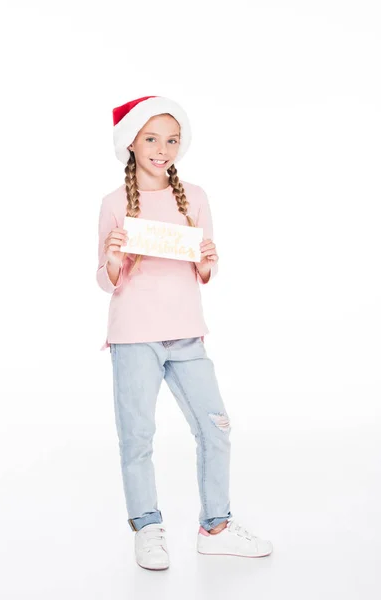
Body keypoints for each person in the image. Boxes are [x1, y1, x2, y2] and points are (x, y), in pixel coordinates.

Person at [96, 95, 273, 570]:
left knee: (216, 429)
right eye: (151, 138)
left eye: (171, 140)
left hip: (188, 335)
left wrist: (208, 262)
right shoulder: (114, 204)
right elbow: (104, 278)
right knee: (137, 436)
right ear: (130, 142)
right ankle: (147, 527)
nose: (162, 149)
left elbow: (203, 274)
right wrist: (114, 262)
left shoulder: (193, 196)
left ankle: (215, 526)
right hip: (134, 335)